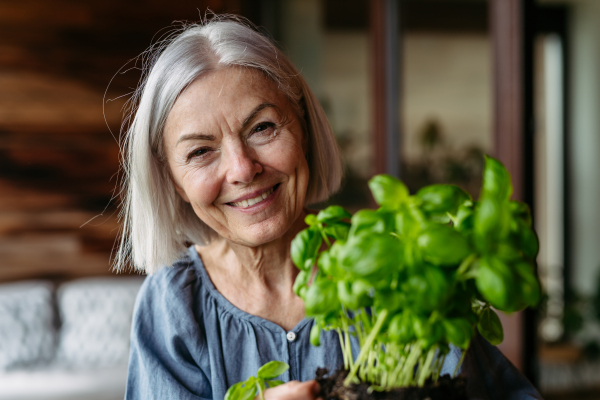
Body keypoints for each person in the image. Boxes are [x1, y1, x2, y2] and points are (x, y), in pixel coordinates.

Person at [118, 16, 542, 400]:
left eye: (263, 127)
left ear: (302, 125)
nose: (243, 169)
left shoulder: (398, 275)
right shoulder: (173, 307)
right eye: (201, 152)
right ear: (171, 179)